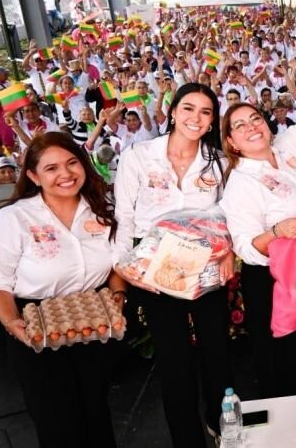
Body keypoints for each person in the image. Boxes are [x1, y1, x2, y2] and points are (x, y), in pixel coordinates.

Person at [0, 132, 125, 447]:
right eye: (52, 168)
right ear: (33, 175)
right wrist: (12, 322)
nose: (66, 174)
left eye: (72, 163)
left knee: (96, 416)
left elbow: (116, 264)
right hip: (38, 328)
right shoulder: (13, 218)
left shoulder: (102, 208)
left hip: (93, 325)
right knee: (58, 423)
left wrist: (119, 295)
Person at [112, 83, 233, 448]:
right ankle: (187, 437)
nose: (196, 118)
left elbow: (230, 215)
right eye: (188, 108)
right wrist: (123, 266)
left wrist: (227, 253)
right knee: (173, 360)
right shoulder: (138, 156)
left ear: (213, 120)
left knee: (217, 352)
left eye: (206, 111)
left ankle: (220, 422)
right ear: (173, 112)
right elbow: (124, 216)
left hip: (207, 269)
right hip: (156, 274)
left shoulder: (219, 161)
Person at [219, 33, 296, 398]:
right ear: (232, 143)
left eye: (255, 118)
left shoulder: (285, 148)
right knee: (285, 365)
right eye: (240, 125)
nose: (252, 126)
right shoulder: (240, 182)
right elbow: (246, 247)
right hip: (272, 282)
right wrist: (277, 230)